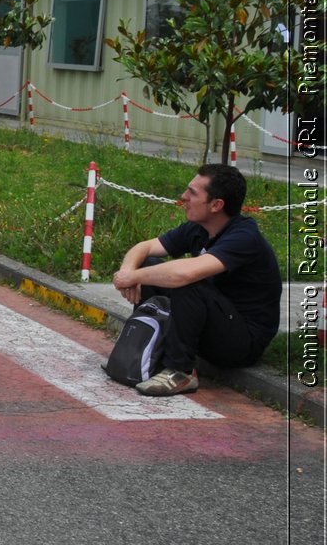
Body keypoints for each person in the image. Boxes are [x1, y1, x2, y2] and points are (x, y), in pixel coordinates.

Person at [111, 164, 282, 396]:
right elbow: (146, 247)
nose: (184, 197)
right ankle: (144, 350)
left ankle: (180, 372)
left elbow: (185, 274)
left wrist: (133, 276)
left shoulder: (244, 237)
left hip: (241, 342)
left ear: (216, 205)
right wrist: (128, 271)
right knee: (150, 265)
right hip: (213, 322)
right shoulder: (199, 228)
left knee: (186, 283)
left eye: (192, 193)